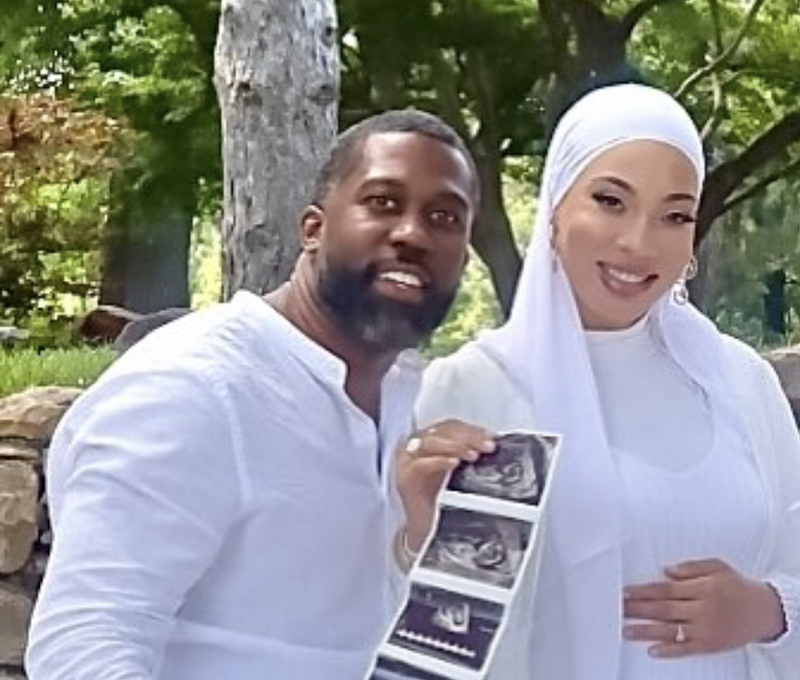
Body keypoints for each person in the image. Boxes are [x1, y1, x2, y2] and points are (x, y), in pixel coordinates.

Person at [26, 109, 495, 680]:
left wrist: (421, 540)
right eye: (382, 202)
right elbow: (82, 645)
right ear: (313, 229)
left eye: (445, 217)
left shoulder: (415, 399)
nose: (413, 234)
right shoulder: (194, 387)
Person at [415, 84, 800, 680]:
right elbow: (447, 638)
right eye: (610, 201)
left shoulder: (741, 383)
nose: (638, 243)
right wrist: (417, 528)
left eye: (674, 216)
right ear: (554, 207)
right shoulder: (484, 389)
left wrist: (770, 610)